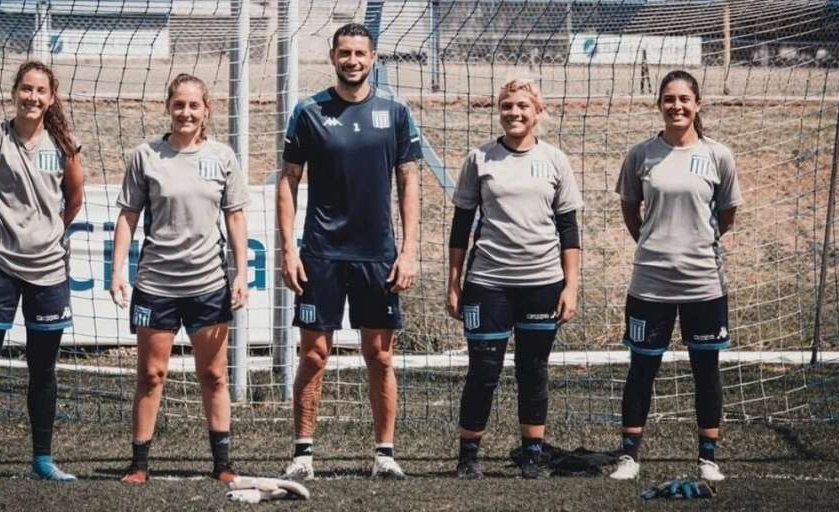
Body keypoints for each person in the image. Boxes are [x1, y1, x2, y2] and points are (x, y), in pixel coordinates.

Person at [276, 22, 422, 480]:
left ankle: (384, 453)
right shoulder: (308, 111)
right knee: (314, 355)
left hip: (377, 255)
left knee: (379, 356)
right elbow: (288, 181)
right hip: (320, 253)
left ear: (373, 58)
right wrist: (287, 248)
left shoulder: (395, 113)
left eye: (361, 53)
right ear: (333, 57)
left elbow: (409, 181)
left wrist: (410, 249)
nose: (353, 60)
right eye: (345, 53)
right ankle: (302, 454)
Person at [110, 74, 249, 485]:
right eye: (179, 105)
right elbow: (128, 215)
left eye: (194, 106)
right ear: (168, 107)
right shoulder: (146, 155)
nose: (186, 112)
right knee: (151, 375)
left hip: (208, 283)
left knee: (214, 375)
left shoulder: (223, 157)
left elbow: (235, 217)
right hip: (156, 284)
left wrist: (241, 273)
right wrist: (117, 270)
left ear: (206, 110)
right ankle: (139, 464)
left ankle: (222, 464)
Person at [0, 61, 84, 481]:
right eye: (26, 89)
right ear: (14, 92)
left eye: (40, 91)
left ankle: (43, 459)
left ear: (51, 97)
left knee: (43, 366)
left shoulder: (63, 143)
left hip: (48, 271)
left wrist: (48, 236)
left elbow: (75, 199)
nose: (32, 97)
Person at [446, 79, 583, 480]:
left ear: (538, 112)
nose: (515, 113)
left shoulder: (555, 160)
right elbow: (460, 229)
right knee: (483, 370)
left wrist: (570, 286)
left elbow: (570, 229)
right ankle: (468, 456)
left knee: (533, 368)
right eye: (507, 106)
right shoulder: (480, 159)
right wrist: (454, 283)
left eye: (523, 106)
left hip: (542, 282)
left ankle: (532, 454)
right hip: (488, 283)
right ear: (499, 111)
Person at [610, 70, 742, 482]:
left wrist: (696, 242)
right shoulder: (641, 155)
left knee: (706, 370)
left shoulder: (718, 155)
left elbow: (727, 214)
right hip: (650, 282)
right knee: (642, 369)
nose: (677, 106)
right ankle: (629, 456)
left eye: (685, 99)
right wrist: (654, 242)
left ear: (697, 104)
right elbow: (631, 209)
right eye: (669, 99)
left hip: (704, 282)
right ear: (660, 104)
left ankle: (708, 458)